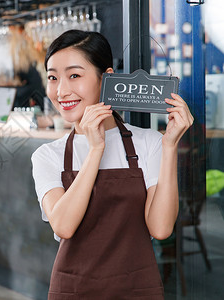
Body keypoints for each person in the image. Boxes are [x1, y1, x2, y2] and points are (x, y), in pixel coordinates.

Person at [31, 30, 193, 299]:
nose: (61, 91)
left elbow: (161, 228)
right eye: (52, 77)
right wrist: (96, 149)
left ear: (105, 78)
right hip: (74, 291)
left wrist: (170, 145)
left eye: (74, 75)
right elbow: (63, 225)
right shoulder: (47, 155)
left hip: (137, 289)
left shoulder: (149, 143)